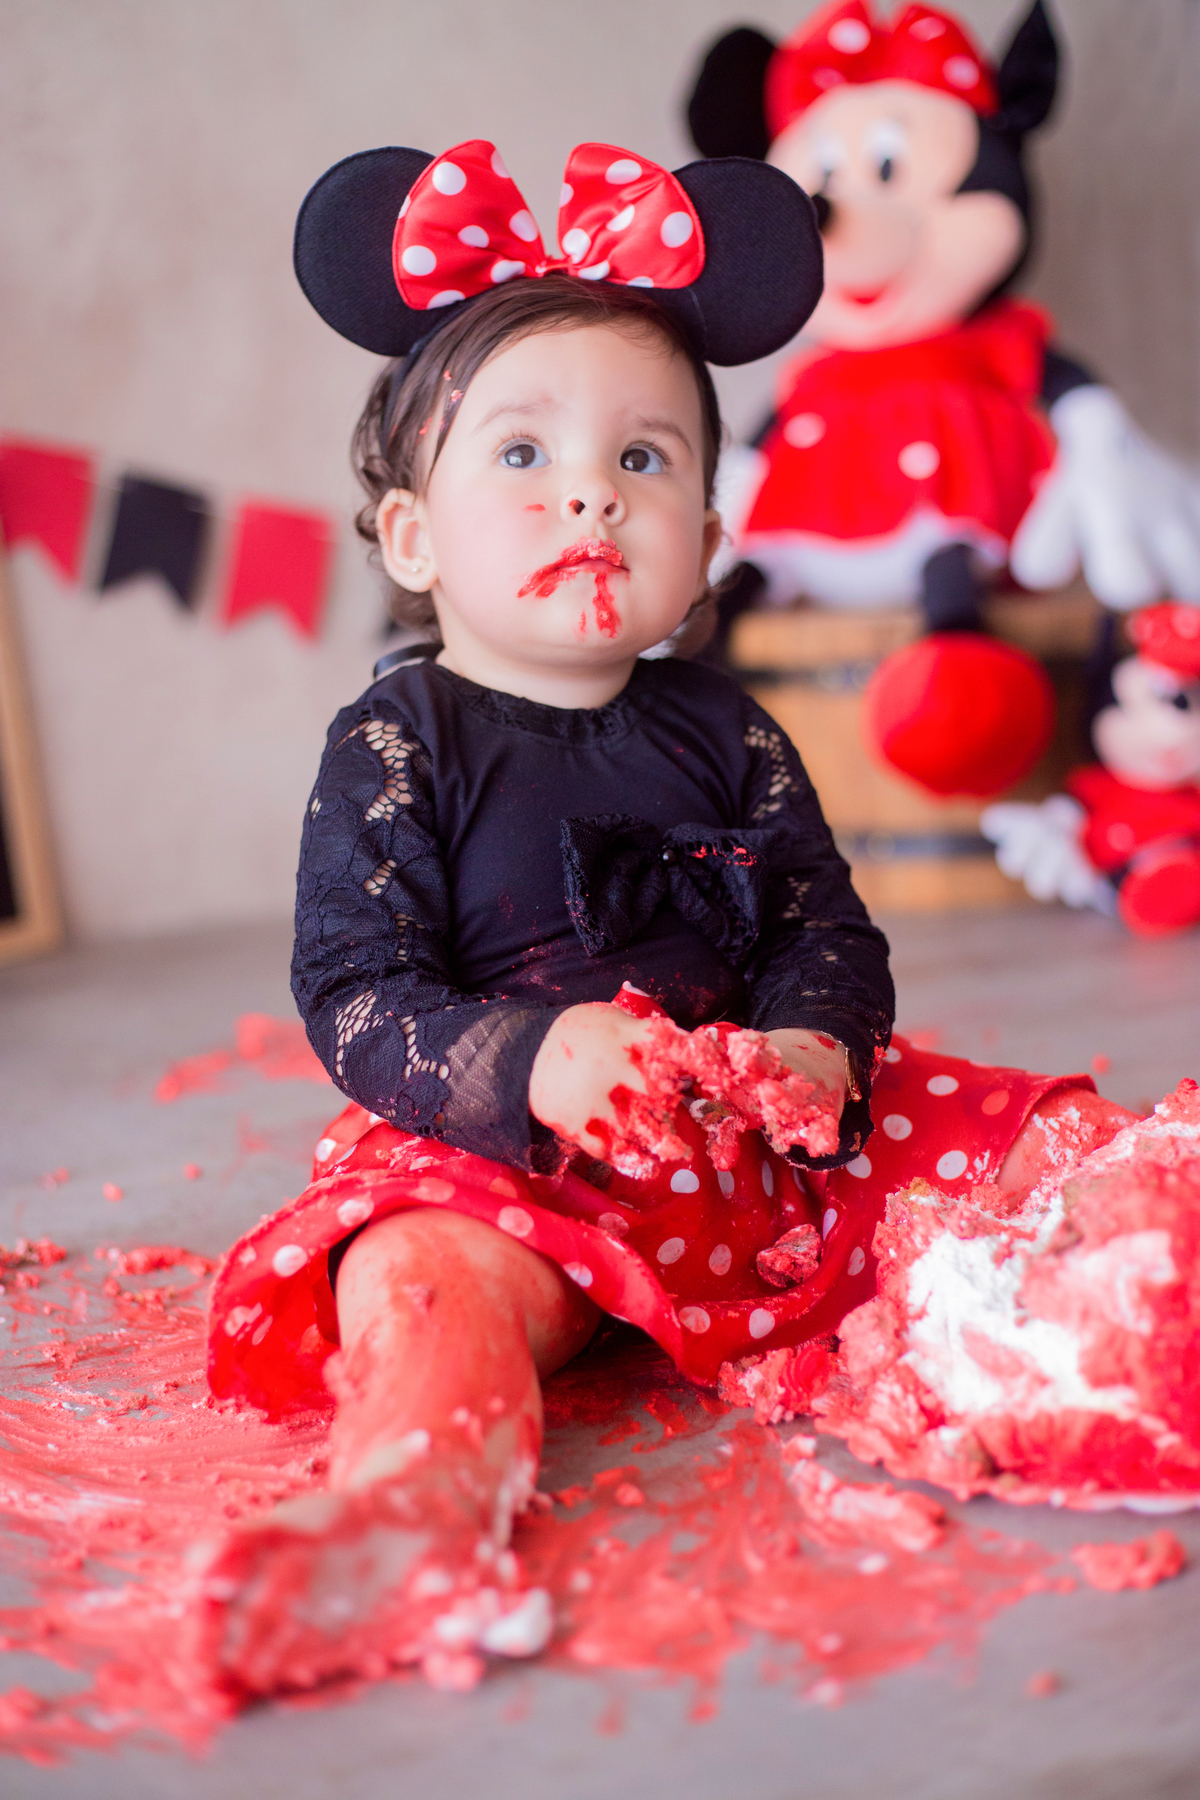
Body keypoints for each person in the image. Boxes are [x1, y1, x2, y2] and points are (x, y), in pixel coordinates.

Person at [198, 137, 1133, 1696]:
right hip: (513, 1168)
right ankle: (412, 1516)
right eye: (521, 454)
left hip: (760, 1146)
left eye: (644, 459)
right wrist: (525, 1064)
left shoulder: (730, 728)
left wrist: (815, 1045)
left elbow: (822, 924)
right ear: (414, 537)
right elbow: (355, 994)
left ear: (704, 546)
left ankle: (1143, 1294)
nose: (588, 489)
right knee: (417, 1279)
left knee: (1034, 1138)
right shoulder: (398, 740)